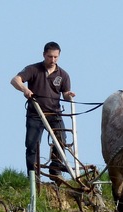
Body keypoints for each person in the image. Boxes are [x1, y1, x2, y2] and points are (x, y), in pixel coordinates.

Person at [10, 41, 76, 180]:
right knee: (32, 145)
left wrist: (68, 96)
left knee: (61, 140)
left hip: (55, 113)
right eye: (50, 57)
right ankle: (34, 177)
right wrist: (25, 89)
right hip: (36, 113)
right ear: (44, 55)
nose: (53, 60)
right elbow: (15, 80)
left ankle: (55, 169)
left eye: (55, 57)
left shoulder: (63, 75)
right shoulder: (33, 69)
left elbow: (64, 94)